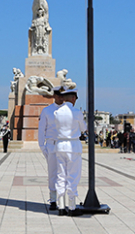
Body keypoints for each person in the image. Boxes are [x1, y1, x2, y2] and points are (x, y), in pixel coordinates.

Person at [53, 88, 85, 216]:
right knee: (73, 176)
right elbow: (83, 128)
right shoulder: (77, 112)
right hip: (73, 145)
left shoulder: (57, 112)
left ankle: (61, 205)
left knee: (61, 175)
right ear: (73, 98)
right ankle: (71, 206)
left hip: (60, 144)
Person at [37, 87, 62, 210]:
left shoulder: (68, 111)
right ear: (54, 96)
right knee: (53, 173)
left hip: (65, 145)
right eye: (58, 95)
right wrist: (43, 147)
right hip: (52, 145)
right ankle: (53, 199)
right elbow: (41, 130)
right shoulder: (47, 111)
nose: (60, 98)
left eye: (62, 96)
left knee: (65, 174)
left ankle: (63, 199)